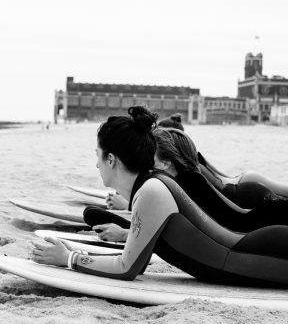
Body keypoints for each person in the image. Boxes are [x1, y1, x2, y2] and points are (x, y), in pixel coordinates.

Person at [30, 106, 288, 286]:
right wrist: (71, 251)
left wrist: (69, 259)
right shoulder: (152, 185)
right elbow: (136, 260)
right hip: (258, 250)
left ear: (111, 159)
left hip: (261, 253)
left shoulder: (152, 191)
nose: (96, 165)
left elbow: (127, 268)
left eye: (97, 156)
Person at [153, 127, 288, 232]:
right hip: (251, 200)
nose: (145, 159)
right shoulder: (188, 178)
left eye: (150, 154)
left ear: (166, 162)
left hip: (257, 208)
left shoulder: (189, 181)